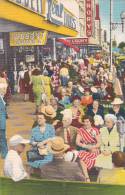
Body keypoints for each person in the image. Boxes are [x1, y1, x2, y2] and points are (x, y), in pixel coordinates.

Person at [76, 115, 100, 181]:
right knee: (81, 157)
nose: (86, 123)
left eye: (87, 122)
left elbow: (99, 143)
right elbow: (77, 142)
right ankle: (87, 177)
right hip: (85, 149)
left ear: (91, 122)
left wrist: (93, 147)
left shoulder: (95, 130)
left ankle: (90, 178)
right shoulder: (81, 130)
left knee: (82, 159)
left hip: (95, 149)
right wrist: (86, 147)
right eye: (84, 122)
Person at [0, 80, 8, 158]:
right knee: (3, 138)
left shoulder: (1, 97)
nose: (5, 90)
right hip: (1, 123)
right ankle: (5, 154)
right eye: (4, 89)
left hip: (2, 121)